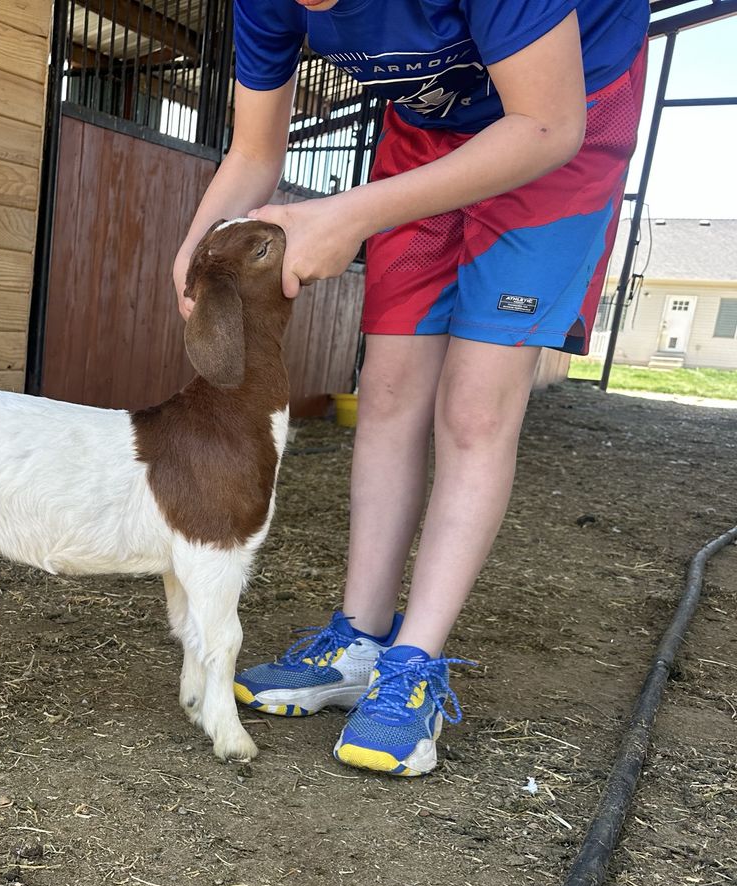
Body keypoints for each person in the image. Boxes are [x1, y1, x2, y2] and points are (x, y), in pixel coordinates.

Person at [173, 0, 649, 777]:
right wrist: (197, 247)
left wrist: (351, 214)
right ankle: (360, 640)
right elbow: (254, 153)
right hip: (431, 130)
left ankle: (413, 665)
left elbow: (547, 124)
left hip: (565, 113)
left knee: (473, 406)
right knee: (389, 388)